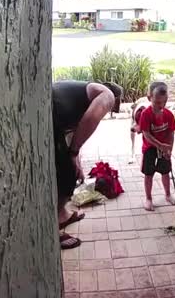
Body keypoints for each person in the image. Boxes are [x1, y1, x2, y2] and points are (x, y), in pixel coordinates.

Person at [51, 80, 122, 250]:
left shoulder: (79, 96)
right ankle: (53, 231)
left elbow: (73, 135)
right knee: (62, 176)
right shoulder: (107, 94)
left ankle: (62, 215)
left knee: (69, 171)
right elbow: (92, 118)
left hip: (53, 114)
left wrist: (77, 162)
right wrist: (73, 153)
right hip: (52, 110)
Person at [137, 81, 175, 211]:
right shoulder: (146, 114)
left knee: (165, 172)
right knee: (149, 174)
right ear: (149, 98)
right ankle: (148, 198)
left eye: (164, 102)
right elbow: (146, 134)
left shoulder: (168, 114)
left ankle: (168, 194)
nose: (161, 106)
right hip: (150, 148)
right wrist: (160, 145)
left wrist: (169, 148)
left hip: (164, 148)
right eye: (158, 103)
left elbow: (171, 132)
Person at [129, 98, 149, 164]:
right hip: (138, 106)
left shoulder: (150, 114)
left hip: (145, 108)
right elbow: (133, 128)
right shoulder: (136, 114)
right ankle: (132, 153)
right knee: (132, 132)